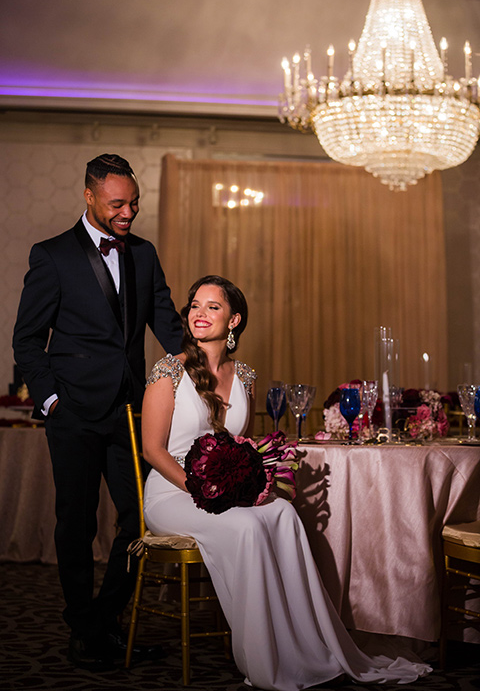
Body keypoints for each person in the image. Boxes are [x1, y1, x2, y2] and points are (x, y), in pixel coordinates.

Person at [142, 274, 432, 691]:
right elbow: (153, 450)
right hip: (173, 492)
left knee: (282, 513)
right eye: (194, 306)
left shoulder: (245, 376)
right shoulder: (168, 370)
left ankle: (305, 648)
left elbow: (240, 444)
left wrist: (248, 483)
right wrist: (202, 490)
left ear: (235, 320)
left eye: (212, 307)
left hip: (220, 490)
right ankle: (266, 662)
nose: (199, 314)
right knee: (245, 527)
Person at [12, 153, 183, 671]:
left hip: (131, 412)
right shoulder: (52, 255)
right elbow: (26, 340)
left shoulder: (145, 254)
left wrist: (209, 361)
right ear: (89, 197)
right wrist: (50, 400)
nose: (128, 211)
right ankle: (83, 628)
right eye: (117, 203)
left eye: (134, 202)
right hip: (74, 412)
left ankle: (103, 621)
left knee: (139, 519)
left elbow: (168, 326)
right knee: (76, 523)